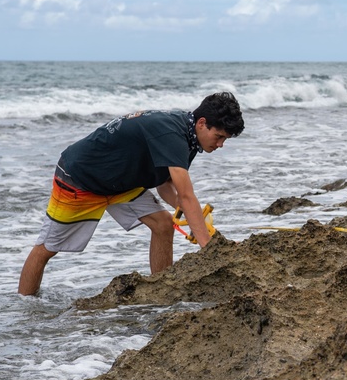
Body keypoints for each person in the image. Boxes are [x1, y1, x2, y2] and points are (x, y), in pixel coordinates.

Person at [17, 92, 245, 295]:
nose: (221, 144)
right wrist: (209, 246)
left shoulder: (189, 136)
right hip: (81, 178)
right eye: (219, 136)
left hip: (121, 184)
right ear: (202, 123)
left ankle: (161, 290)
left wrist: (194, 219)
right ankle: (24, 310)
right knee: (47, 248)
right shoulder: (172, 133)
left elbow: (165, 185)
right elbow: (186, 196)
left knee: (163, 224)